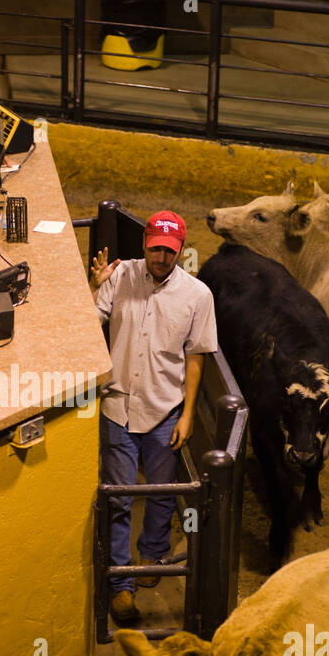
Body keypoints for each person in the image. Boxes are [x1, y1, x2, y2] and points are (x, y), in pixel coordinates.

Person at [90, 211, 218, 626]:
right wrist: (92, 287)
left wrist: (188, 414)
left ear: (181, 249)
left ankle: (154, 553)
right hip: (117, 404)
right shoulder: (119, 275)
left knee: (164, 491)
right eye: (155, 247)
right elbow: (92, 324)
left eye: (170, 249)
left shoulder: (198, 295)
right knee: (119, 495)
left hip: (165, 407)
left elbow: (195, 357)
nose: (162, 256)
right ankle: (121, 584)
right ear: (145, 243)